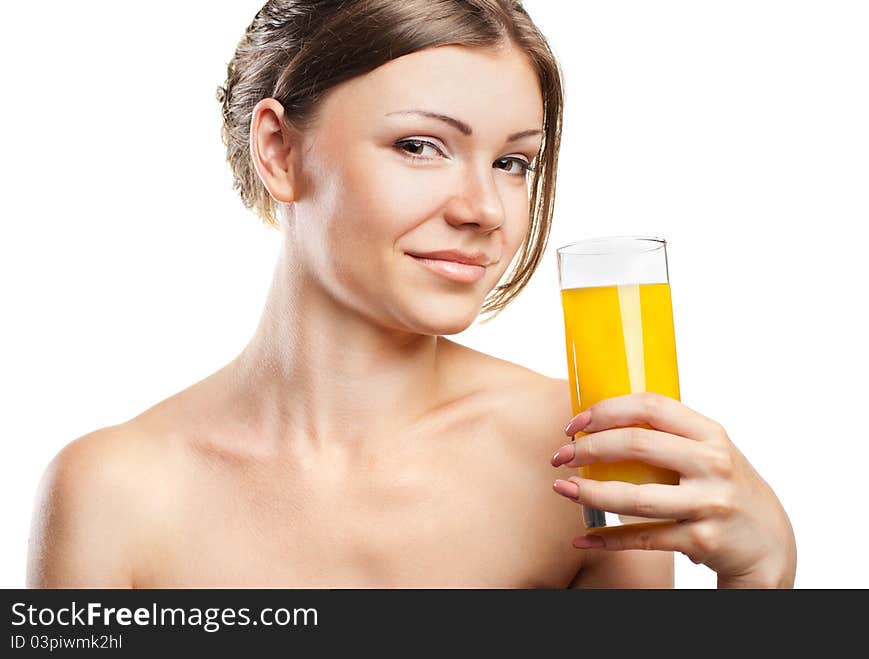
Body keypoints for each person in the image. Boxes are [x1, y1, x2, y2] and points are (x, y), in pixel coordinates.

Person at [26, 0, 795, 589]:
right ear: (278, 150)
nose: (484, 210)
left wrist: (760, 582)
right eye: (419, 146)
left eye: (513, 163)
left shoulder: (585, 455)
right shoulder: (112, 495)